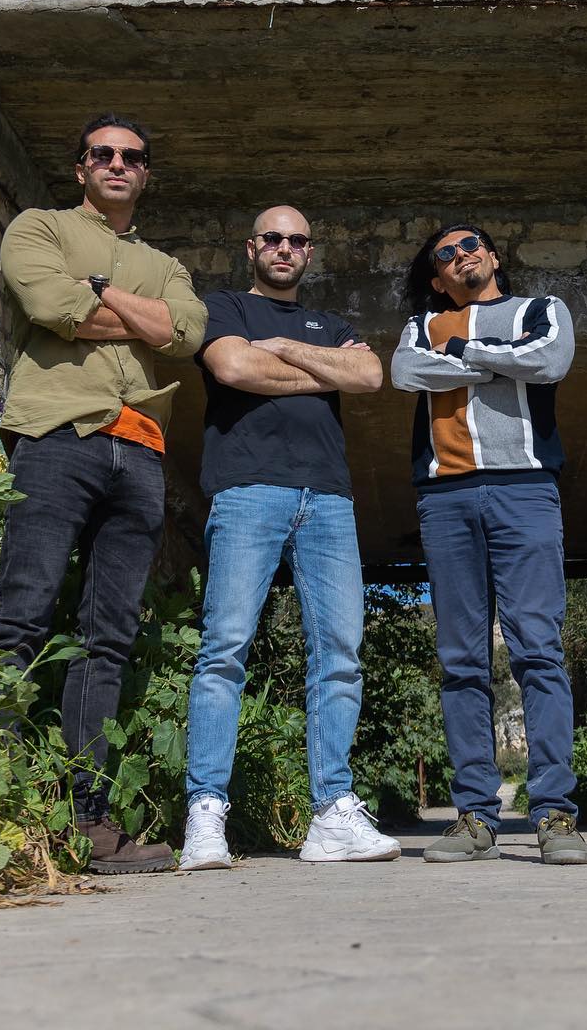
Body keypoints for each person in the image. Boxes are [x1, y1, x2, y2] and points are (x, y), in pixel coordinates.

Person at [0, 113, 206, 874]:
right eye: (103, 154)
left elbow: (187, 333)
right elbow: (52, 308)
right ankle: (0, 811)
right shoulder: (38, 228)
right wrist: (136, 319)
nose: (118, 164)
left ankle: (89, 824)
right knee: (22, 614)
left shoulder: (168, 263)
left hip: (141, 452)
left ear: (147, 173)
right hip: (57, 436)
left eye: (133, 157)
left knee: (107, 637)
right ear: (80, 166)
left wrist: (101, 295)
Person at [180, 206, 400, 870]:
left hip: (329, 499)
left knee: (339, 655)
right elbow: (233, 371)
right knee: (224, 650)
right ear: (251, 247)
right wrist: (320, 370)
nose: (284, 248)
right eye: (272, 238)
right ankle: (206, 814)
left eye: (297, 240)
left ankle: (332, 814)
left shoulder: (327, 323)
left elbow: (369, 377)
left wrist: (282, 351)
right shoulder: (221, 307)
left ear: (309, 252)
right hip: (248, 490)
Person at [390, 224, 587, 866]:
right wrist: (499, 357)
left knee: (538, 648)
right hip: (445, 497)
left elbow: (551, 360)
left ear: (494, 255)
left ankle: (554, 811)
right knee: (461, 659)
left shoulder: (540, 311)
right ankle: (475, 816)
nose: (462, 255)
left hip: (526, 490)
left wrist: (468, 355)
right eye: (446, 254)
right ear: (436, 277)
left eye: (471, 244)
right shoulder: (422, 324)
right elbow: (404, 371)